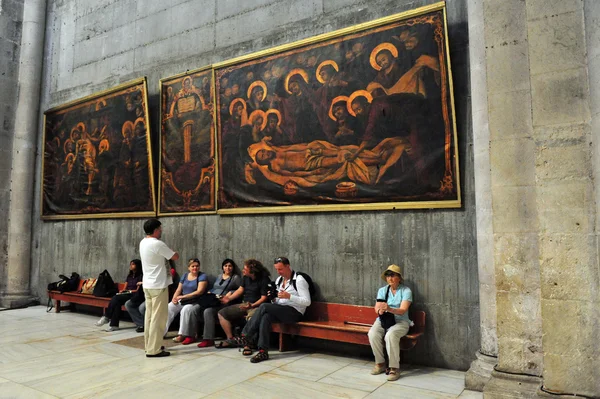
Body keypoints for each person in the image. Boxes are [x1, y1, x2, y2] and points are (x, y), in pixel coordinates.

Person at [235, 256, 311, 363]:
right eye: (276, 269)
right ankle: (263, 351)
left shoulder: (299, 280)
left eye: (280, 269)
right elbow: (279, 301)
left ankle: (246, 335)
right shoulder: (280, 280)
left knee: (264, 306)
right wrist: (273, 298)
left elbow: (307, 301)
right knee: (266, 317)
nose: (278, 272)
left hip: (295, 312)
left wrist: (289, 296)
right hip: (282, 309)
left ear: (287, 266)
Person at [139, 218, 179, 358]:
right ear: (155, 230)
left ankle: (149, 345)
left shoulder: (143, 242)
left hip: (148, 284)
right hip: (158, 285)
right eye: (160, 229)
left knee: (149, 317)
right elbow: (175, 257)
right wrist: (173, 251)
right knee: (158, 318)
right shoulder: (158, 244)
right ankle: (154, 349)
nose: (161, 231)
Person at [367, 264, 412, 381]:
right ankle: (380, 363)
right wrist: (379, 310)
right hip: (384, 319)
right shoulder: (383, 291)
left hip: (401, 321)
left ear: (399, 277)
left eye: (392, 275)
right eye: (387, 275)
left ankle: (394, 368)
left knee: (390, 335)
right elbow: (376, 307)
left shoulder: (406, 291)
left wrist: (389, 309)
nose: (390, 278)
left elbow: (402, 310)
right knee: (372, 333)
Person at [216, 259, 270, 348]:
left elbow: (264, 298)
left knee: (252, 318)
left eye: (245, 269)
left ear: (252, 271)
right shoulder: (245, 277)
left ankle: (248, 343)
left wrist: (252, 305)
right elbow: (240, 290)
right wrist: (229, 298)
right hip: (245, 304)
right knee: (222, 313)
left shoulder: (264, 279)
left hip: (257, 306)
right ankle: (231, 339)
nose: (243, 270)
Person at [197, 258, 241, 348]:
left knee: (208, 311)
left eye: (230, 266)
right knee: (197, 308)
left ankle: (208, 339)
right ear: (222, 267)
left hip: (224, 303)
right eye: (226, 266)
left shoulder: (235, 278)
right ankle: (192, 335)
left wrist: (231, 292)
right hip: (214, 300)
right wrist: (210, 292)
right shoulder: (219, 276)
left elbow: (240, 289)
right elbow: (215, 287)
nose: (228, 268)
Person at [165, 258, 208, 345]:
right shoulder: (185, 275)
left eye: (197, 266)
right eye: (193, 266)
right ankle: (161, 332)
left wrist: (183, 296)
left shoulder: (202, 276)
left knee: (186, 309)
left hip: (195, 301)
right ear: (189, 267)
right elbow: (179, 289)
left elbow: (199, 291)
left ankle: (182, 334)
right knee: (169, 307)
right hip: (183, 300)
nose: (195, 268)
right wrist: (174, 298)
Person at [96, 259, 143, 331]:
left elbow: (137, 290)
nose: (131, 266)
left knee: (115, 298)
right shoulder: (129, 276)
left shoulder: (140, 276)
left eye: (133, 264)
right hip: (127, 294)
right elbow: (125, 287)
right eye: (130, 264)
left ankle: (106, 317)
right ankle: (114, 325)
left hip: (134, 294)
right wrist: (123, 291)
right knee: (116, 302)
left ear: (138, 265)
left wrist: (128, 291)